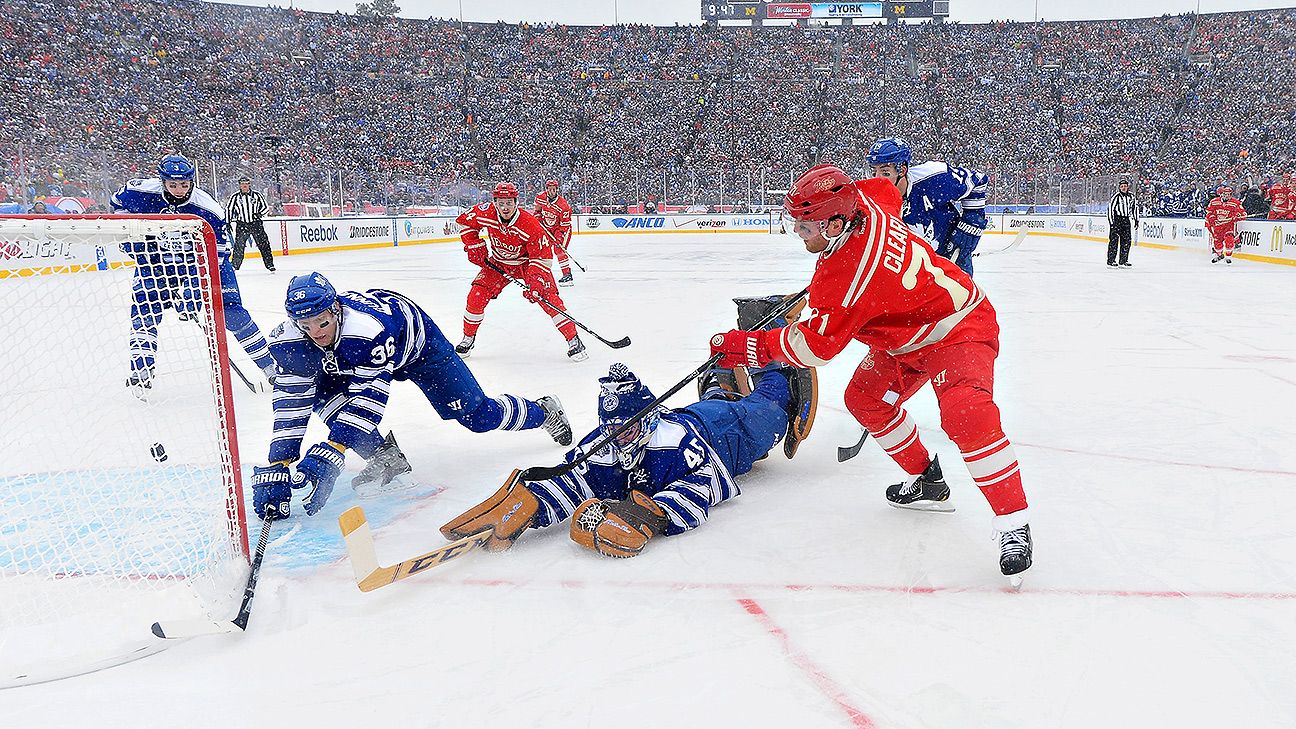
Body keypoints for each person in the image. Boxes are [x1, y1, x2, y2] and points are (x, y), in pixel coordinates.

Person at [705, 164, 1034, 584]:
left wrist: (745, 345)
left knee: (966, 415)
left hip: (959, 327)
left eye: (808, 228)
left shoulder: (843, 278)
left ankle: (1013, 523)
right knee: (864, 398)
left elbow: (814, 348)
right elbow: (889, 190)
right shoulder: (868, 197)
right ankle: (926, 480)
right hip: (906, 336)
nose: (800, 235)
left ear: (838, 221)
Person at [250, 272, 575, 521]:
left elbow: (369, 399)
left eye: (322, 322)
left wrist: (331, 451)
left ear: (335, 309)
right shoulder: (288, 342)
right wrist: (278, 461)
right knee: (320, 391)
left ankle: (543, 411)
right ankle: (384, 456)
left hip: (420, 348)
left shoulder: (368, 331)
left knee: (479, 417)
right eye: (305, 325)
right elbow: (291, 404)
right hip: (355, 357)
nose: (316, 332)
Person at [439, 348, 817, 558]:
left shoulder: (674, 443)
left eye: (629, 426)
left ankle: (776, 358)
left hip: (724, 434)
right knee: (718, 399)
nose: (619, 437)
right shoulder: (603, 443)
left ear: (648, 418)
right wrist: (534, 502)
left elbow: (705, 485)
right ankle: (721, 375)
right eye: (612, 428)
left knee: (770, 406)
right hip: (696, 415)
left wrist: (649, 515)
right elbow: (575, 480)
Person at [111, 154, 276, 392]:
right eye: (173, 185)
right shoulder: (141, 191)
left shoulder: (207, 207)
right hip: (157, 263)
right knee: (145, 310)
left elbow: (221, 249)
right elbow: (117, 204)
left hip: (204, 262)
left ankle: (270, 368)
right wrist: (130, 234)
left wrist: (195, 287)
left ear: (192, 181)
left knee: (232, 314)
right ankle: (141, 370)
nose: (179, 190)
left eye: (185, 185)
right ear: (162, 181)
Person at [455, 182, 587, 361]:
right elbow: (464, 222)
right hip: (499, 263)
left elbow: (542, 256)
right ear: (494, 202)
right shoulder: (485, 212)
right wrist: (473, 244)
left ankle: (574, 339)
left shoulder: (529, 224)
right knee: (476, 296)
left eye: (509, 202)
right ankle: (468, 338)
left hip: (527, 264)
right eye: (501, 203)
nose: (505, 207)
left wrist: (536, 280)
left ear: (516, 202)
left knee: (549, 299)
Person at [866, 137, 989, 276]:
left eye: (885, 172)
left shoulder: (934, 177)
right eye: (873, 171)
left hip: (952, 264)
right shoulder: (871, 202)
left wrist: (970, 227)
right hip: (910, 275)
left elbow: (978, 181)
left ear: (902, 170)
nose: (877, 179)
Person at [225, 176, 275, 272]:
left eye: (246, 184)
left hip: (256, 223)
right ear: (239, 185)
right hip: (242, 224)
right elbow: (229, 209)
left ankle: (270, 264)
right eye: (242, 184)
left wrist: (259, 214)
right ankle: (235, 265)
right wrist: (228, 222)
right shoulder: (235, 197)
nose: (244, 186)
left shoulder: (257, 195)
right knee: (239, 246)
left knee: (264, 244)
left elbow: (265, 207)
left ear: (249, 184)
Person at [533, 179, 575, 286]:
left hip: (561, 229)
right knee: (544, 250)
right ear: (546, 189)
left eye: (554, 189)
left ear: (557, 190)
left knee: (559, 250)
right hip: (547, 228)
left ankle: (567, 275)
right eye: (549, 189)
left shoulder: (563, 205)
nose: (551, 191)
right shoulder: (540, 198)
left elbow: (564, 225)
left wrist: (559, 237)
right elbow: (537, 211)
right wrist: (538, 218)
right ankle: (542, 276)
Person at [1205, 186, 1247, 265]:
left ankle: (1228, 257)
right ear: (1221, 194)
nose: (1226, 196)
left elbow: (1243, 214)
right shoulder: (1214, 202)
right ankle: (1220, 255)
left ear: (1231, 195)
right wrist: (1212, 217)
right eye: (1224, 194)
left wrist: (1237, 216)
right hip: (1217, 227)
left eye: (1228, 194)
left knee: (1229, 241)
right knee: (1217, 245)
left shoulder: (1235, 203)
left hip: (1228, 226)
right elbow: (1209, 212)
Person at [1107, 177, 1138, 268]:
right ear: (1119, 187)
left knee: (1127, 241)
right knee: (1114, 241)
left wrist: (1136, 220)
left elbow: (1134, 208)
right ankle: (1111, 260)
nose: (1124, 188)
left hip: (1126, 220)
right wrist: (1112, 223)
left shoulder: (1131, 197)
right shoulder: (1116, 197)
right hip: (1117, 220)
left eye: (1125, 186)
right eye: (1122, 186)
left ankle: (1123, 260)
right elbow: (1110, 210)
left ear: (1128, 187)